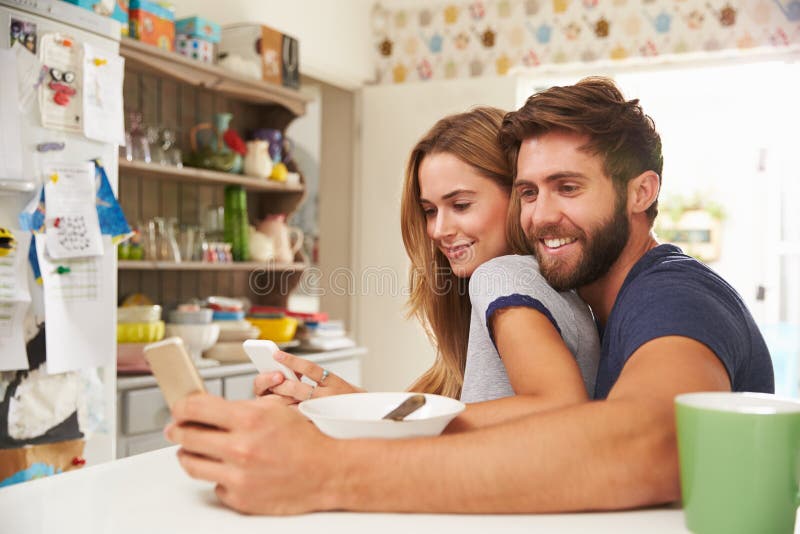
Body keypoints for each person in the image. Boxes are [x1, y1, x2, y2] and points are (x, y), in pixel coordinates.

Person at [165, 77, 773, 515]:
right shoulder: (592, 304)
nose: (542, 214)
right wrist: (358, 409)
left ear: (641, 193)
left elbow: (656, 442)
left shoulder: (674, 295)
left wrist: (330, 470)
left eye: (568, 187)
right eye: (529, 191)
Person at [254, 106, 599, 427]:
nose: (438, 230)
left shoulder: (502, 276)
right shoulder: (546, 287)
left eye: (461, 204)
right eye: (430, 211)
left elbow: (561, 410)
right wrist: (354, 406)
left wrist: (372, 415)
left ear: (519, 195)